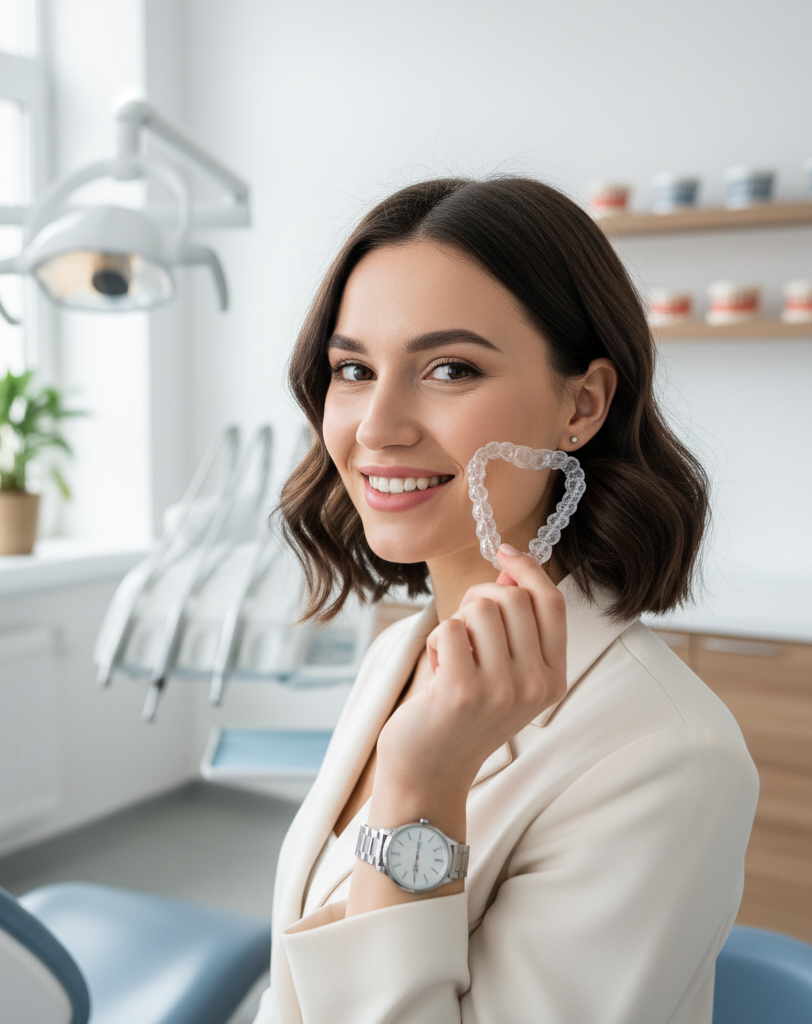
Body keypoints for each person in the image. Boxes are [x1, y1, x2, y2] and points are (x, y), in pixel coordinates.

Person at [253, 178, 759, 1024]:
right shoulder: (403, 654)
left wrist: (423, 789)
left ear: (582, 403)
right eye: (353, 369)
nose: (377, 426)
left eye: (450, 369)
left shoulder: (669, 758)